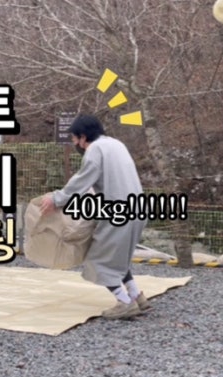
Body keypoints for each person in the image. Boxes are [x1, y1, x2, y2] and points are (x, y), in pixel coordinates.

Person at [40, 114, 149, 320]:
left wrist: (56, 199)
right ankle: (136, 296)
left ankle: (125, 303)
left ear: (83, 137)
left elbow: (83, 179)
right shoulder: (116, 144)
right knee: (117, 257)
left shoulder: (95, 149)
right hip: (137, 209)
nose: (74, 143)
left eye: (74, 138)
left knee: (98, 260)